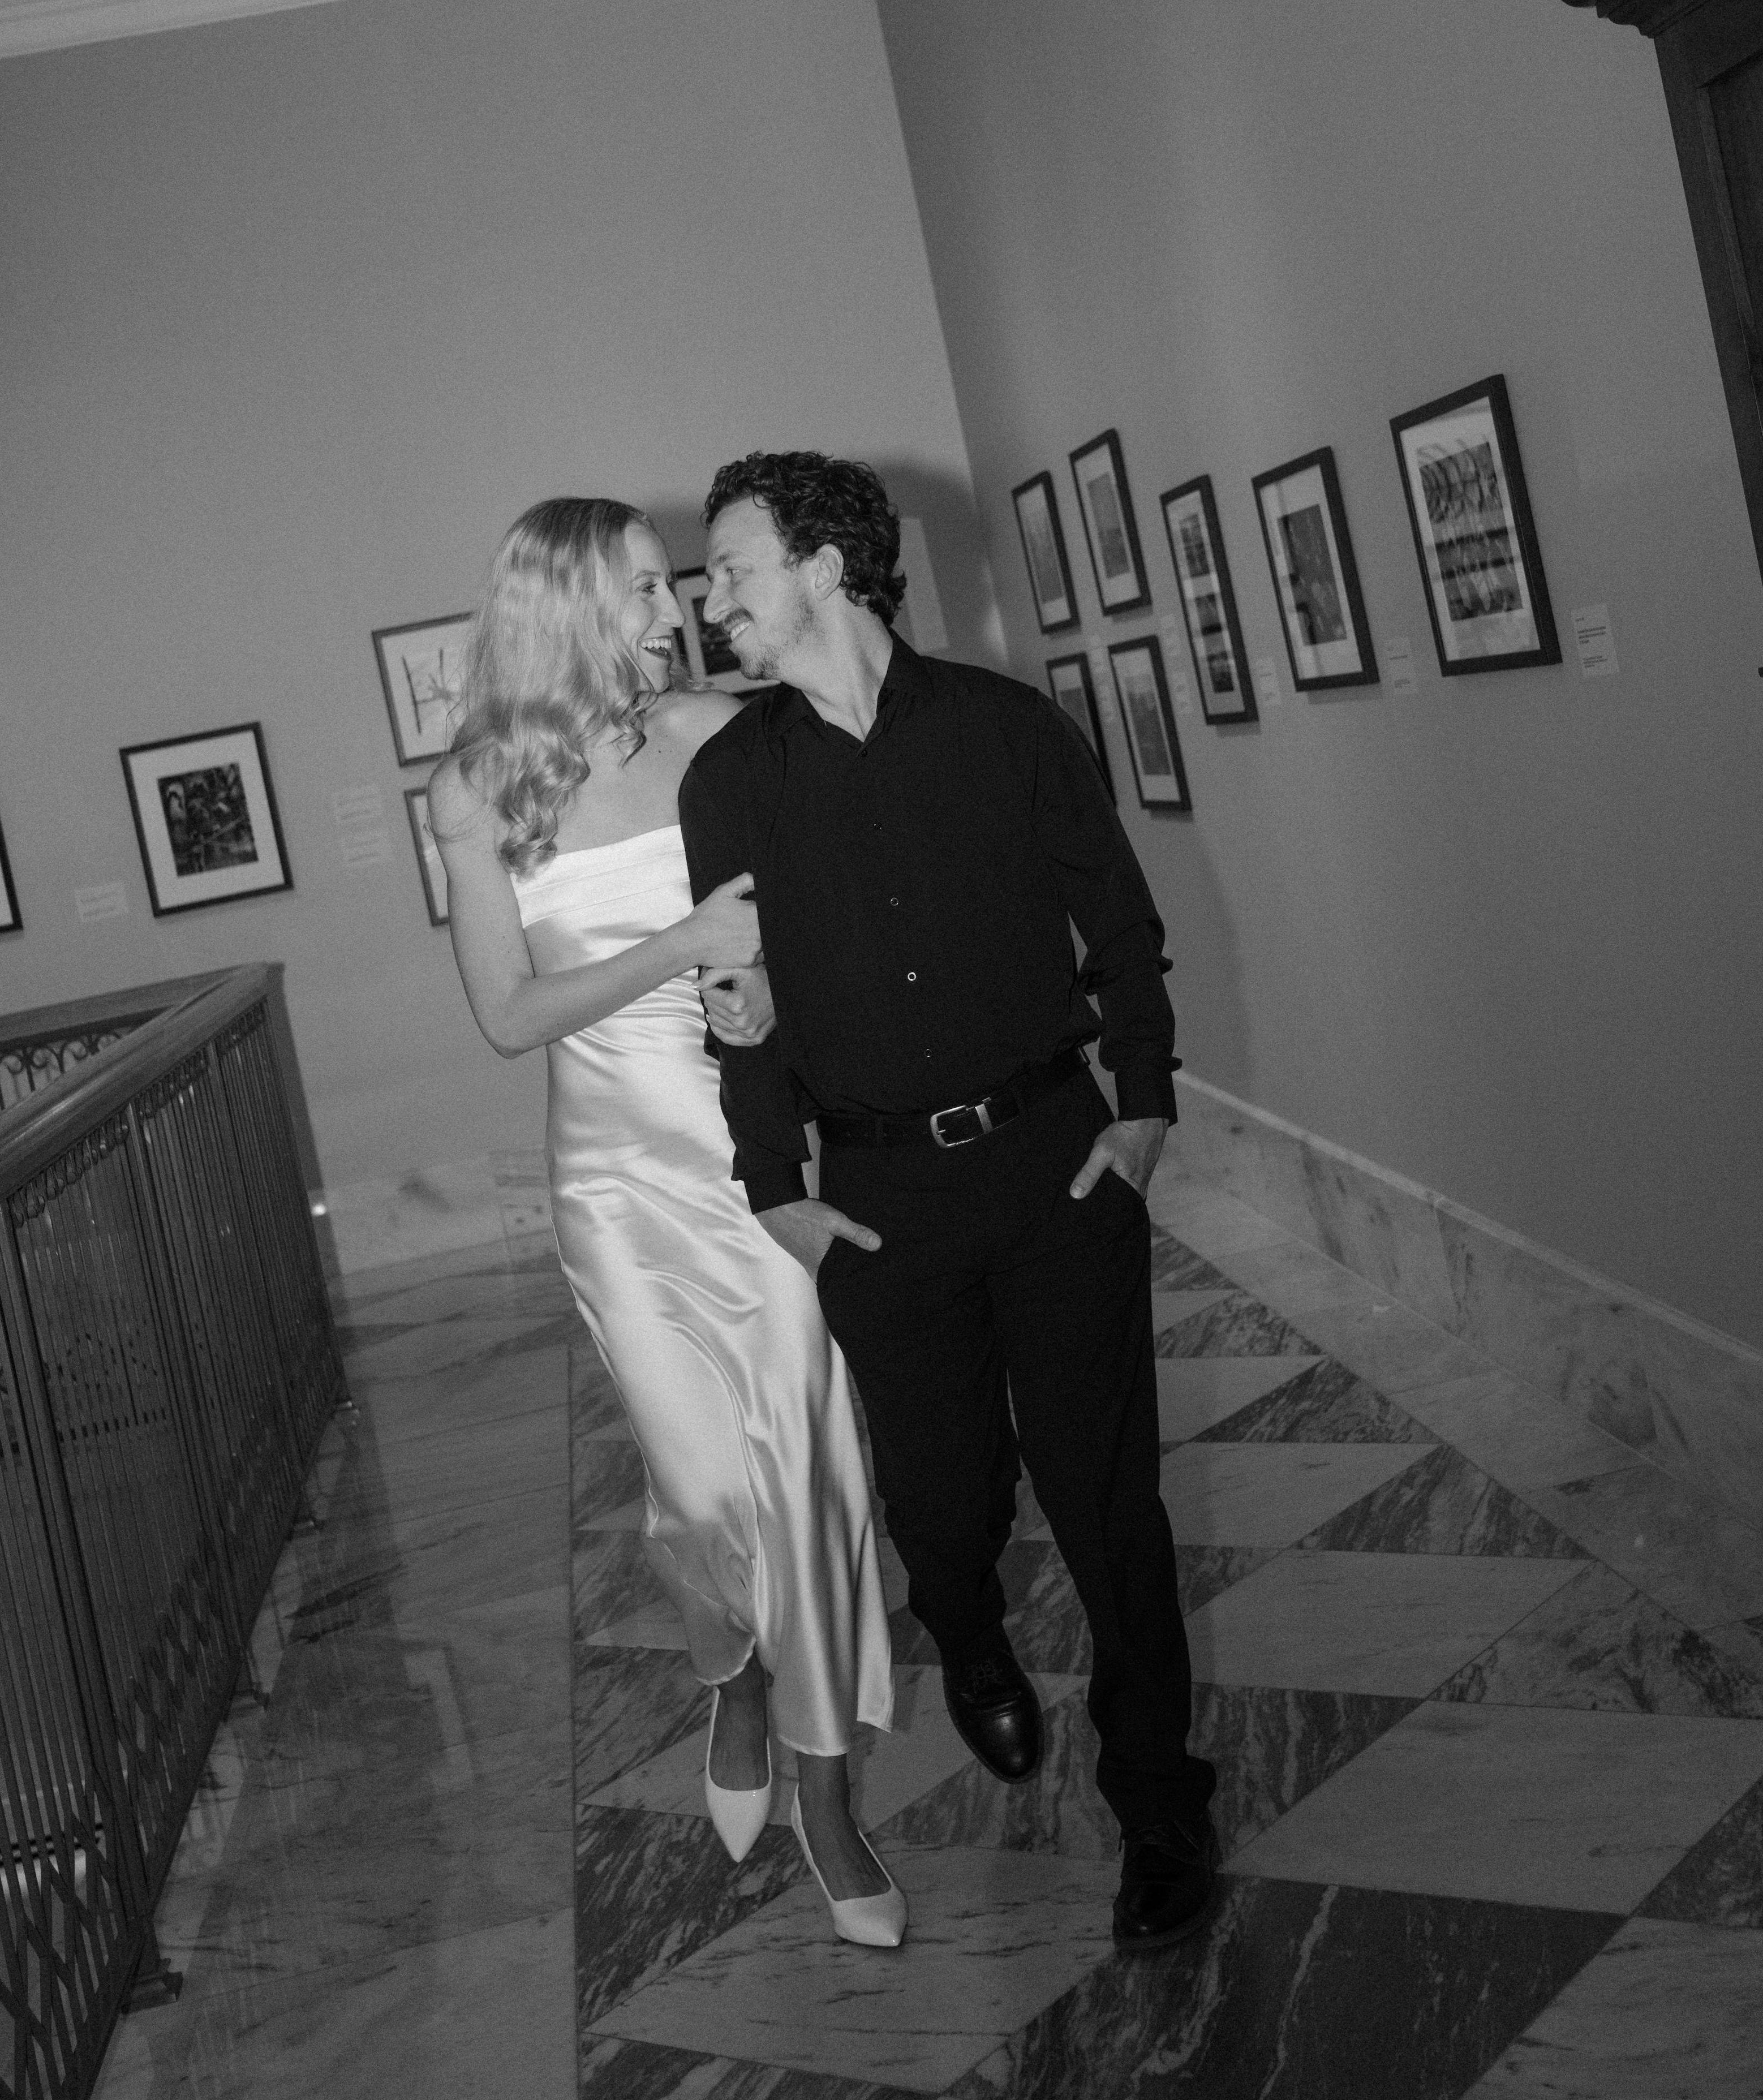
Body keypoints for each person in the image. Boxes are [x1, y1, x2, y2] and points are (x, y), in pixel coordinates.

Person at [678, 453, 1220, 1953]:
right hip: (879, 1205)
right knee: (943, 1500)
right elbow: (736, 999)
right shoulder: (732, 782)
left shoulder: (1008, 728)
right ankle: (969, 1630)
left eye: (732, 569)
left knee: (1109, 1507)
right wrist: (774, 1188)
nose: (712, 602)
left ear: (824, 568)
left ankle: (1160, 1805)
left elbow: (1120, 925)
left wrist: (1144, 1105)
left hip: (1055, 1166)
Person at [429, 496, 904, 1948]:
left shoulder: (715, 735)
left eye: (672, 583)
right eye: (643, 587)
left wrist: (764, 992)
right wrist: (680, 943)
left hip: (753, 1159)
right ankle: (733, 1677)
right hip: (614, 1187)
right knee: (700, 1488)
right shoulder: (476, 791)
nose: (674, 608)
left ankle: (826, 1789)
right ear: (569, 603)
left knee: (810, 1465)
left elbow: (812, 917)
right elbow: (509, 1016)